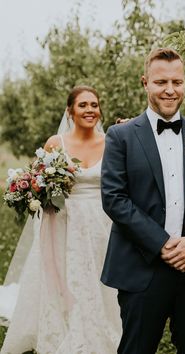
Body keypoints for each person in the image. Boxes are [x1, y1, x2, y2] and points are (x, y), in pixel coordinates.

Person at [101, 48, 185, 354]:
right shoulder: (120, 136)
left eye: (177, 81)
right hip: (141, 268)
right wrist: (163, 244)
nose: (170, 89)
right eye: (161, 82)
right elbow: (114, 198)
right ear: (145, 83)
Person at [0, 85, 121, 354]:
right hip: (63, 221)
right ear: (70, 111)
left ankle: (102, 326)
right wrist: (36, 193)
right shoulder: (57, 143)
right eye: (83, 105)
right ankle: (66, 329)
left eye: (94, 105)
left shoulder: (112, 141)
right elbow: (36, 181)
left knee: (99, 276)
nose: (90, 110)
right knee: (66, 276)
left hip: (102, 222)